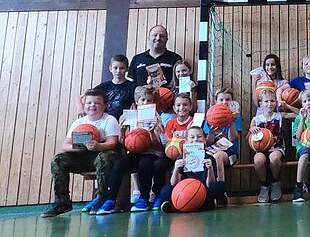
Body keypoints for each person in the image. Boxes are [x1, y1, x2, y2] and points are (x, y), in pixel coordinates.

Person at [41, 89, 120, 217]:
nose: (92, 105)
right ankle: (62, 202)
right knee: (58, 160)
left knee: (104, 157)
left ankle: (101, 199)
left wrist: (98, 146)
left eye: (97, 103)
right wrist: (79, 147)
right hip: (83, 157)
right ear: (84, 105)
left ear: (105, 106)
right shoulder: (79, 123)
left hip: (103, 155)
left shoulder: (109, 120)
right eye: (89, 103)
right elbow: (65, 146)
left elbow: (112, 143)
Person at [97, 86, 169, 214]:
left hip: (152, 152)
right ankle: (110, 200)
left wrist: (152, 132)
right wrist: (123, 132)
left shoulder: (156, 117)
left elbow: (159, 145)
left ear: (154, 103)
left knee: (144, 164)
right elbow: (123, 143)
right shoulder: (129, 117)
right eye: (142, 100)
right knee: (119, 164)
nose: (146, 103)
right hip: (135, 152)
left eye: (149, 100)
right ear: (137, 101)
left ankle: (144, 198)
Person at [159, 127, 226, 213]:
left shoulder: (209, 159)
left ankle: (176, 207)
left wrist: (210, 169)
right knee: (165, 192)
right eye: (192, 137)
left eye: (199, 136)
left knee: (220, 186)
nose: (196, 139)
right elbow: (173, 183)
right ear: (186, 141)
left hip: (202, 189)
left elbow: (210, 184)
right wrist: (176, 168)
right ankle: (203, 205)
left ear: (205, 140)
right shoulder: (181, 158)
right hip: (184, 191)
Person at [250, 88, 285, 204]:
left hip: (277, 147)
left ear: (276, 102)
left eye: (272, 101)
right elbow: (248, 139)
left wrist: (287, 106)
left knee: (274, 158)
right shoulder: (256, 119)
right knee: (258, 160)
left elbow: (297, 114)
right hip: (261, 148)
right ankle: (264, 185)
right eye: (266, 101)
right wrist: (251, 130)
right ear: (260, 104)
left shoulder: (280, 116)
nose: (269, 104)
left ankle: (275, 182)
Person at [203, 88, 242, 188]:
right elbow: (208, 142)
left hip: (230, 153)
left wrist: (231, 121)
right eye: (221, 100)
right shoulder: (210, 117)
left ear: (232, 101)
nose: (224, 102)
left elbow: (233, 139)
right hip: (212, 150)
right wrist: (211, 132)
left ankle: (220, 187)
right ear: (216, 102)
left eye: (228, 99)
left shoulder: (236, 118)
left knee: (218, 156)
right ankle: (205, 187)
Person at [92, 54, 137, 120]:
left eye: (122, 68)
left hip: (124, 122)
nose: (118, 71)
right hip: (104, 121)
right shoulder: (103, 87)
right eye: (115, 68)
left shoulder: (133, 87)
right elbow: (86, 96)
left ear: (127, 69)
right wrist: (81, 108)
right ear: (110, 68)